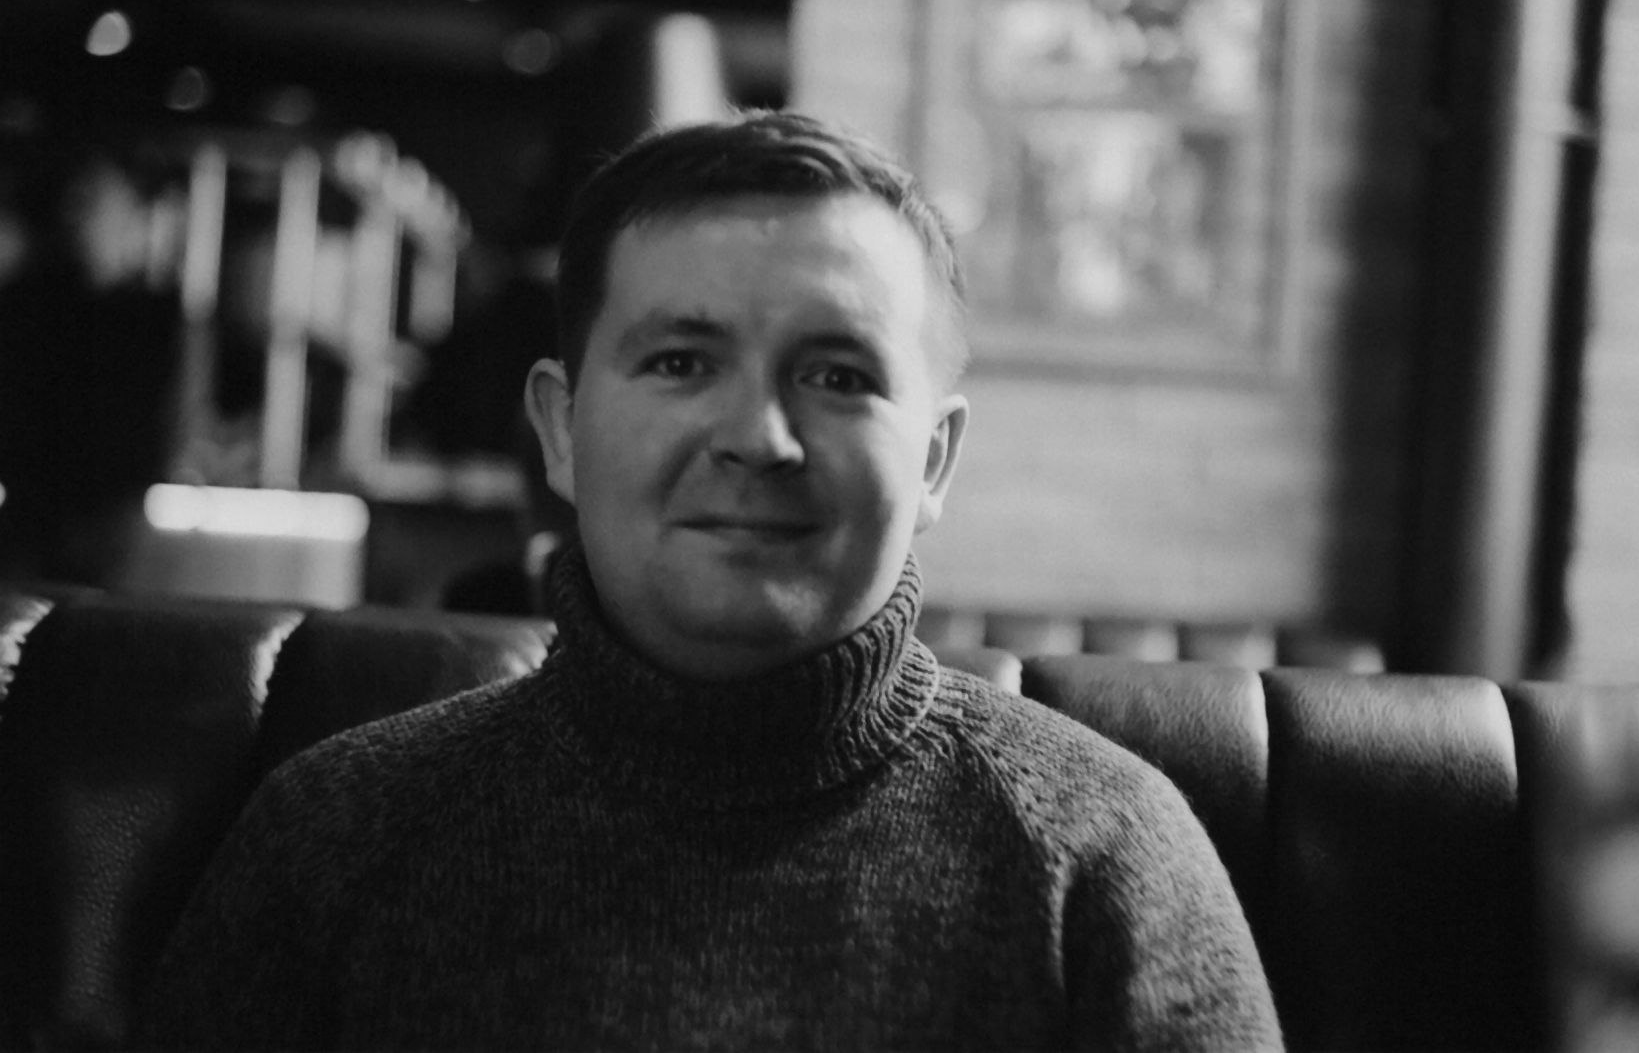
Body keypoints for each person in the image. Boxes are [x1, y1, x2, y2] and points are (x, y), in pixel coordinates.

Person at [145, 111, 1281, 1050]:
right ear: (561, 429)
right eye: (681, 362)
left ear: (933, 460)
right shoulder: (335, 833)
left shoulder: (1102, 853)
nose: (757, 437)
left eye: (837, 375)